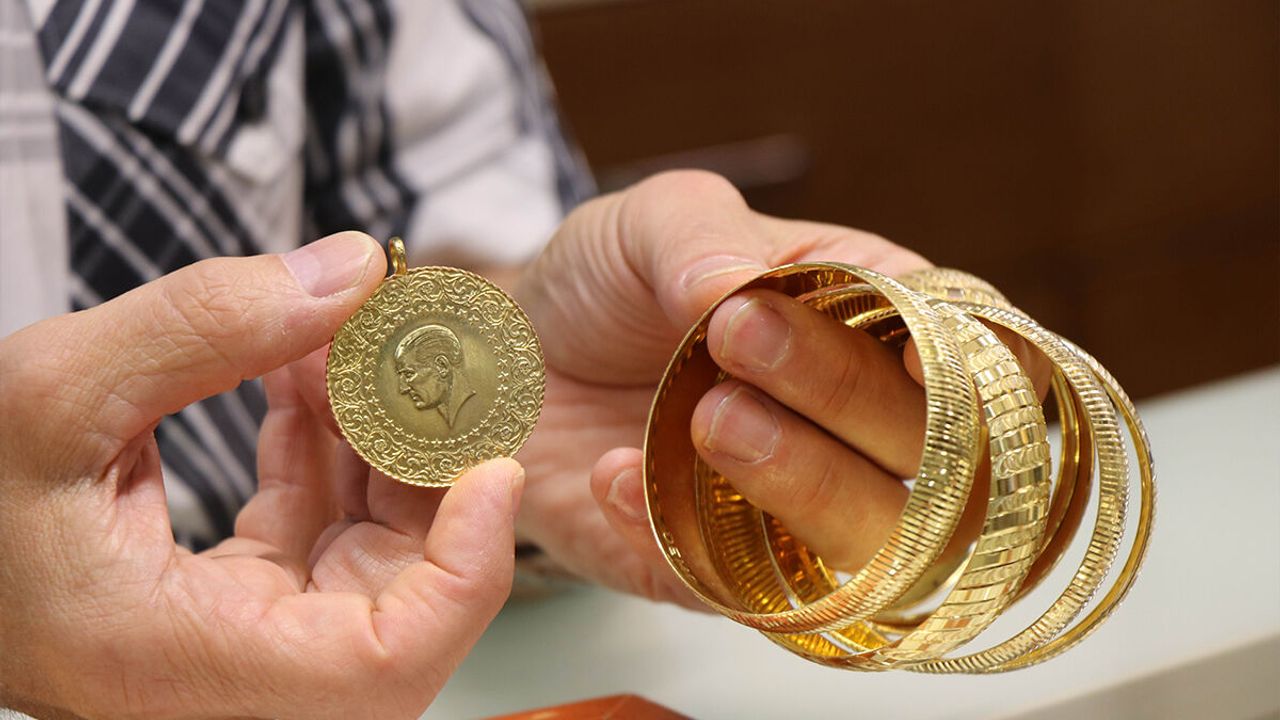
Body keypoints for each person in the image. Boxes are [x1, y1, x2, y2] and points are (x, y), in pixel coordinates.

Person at [0, 1, 995, 718]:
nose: (412, 380)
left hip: (359, 591)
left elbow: (442, 201)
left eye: (422, 374)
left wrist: (543, 444)